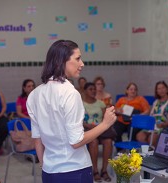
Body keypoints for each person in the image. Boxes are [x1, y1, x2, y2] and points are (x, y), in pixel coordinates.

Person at [26, 40, 116, 183]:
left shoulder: (34, 94)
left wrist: (46, 166)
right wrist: (105, 124)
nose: (82, 64)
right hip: (74, 170)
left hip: (49, 171)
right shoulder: (70, 93)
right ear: (62, 61)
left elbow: (37, 139)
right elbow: (76, 141)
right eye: (78, 58)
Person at [83, 82, 112, 182]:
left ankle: (104, 170)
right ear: (85, 91)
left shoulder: (100, 103)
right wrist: (88, 125)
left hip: (101, 130)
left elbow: (106, 118)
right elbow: (79, 122)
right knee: (93, 142)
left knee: (108, 141)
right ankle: (95, 170)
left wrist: (102, 126)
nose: (93, 91)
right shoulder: (81, 104)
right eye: (90, 89)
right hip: (88, 130)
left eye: (94, 89)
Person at [136, 81, 168, 146]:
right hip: (153, 125)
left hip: (166, 126)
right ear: (157, 91)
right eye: (159, 89)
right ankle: (147, 152)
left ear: (167, 89)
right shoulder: (156, 102)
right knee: (140, 136)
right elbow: (151, 115)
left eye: (163, 88)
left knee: (151, 139)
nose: (161, 90)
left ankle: (154, 153)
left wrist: (165, 124)